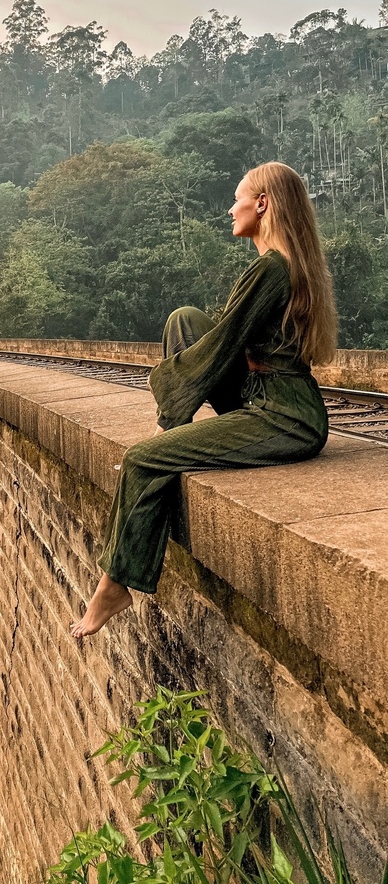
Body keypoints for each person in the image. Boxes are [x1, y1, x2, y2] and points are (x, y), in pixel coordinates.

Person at [71, 161, 338, 638]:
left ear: (262, 203)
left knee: (143, 460)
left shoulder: (272, 270)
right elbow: (219, 339)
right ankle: (173, 429)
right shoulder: (275, 266)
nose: (230, 208)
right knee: (185, 320)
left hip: (285, 416)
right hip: (263, 398)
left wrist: (166, 421)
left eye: (238, 197)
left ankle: (115, 584)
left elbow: (222, 347)